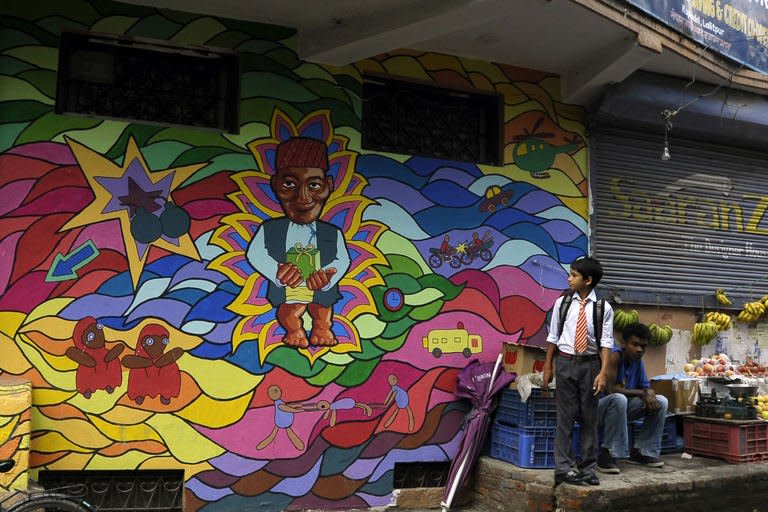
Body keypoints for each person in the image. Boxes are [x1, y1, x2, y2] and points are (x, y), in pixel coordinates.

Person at [246, 137, 350, 349]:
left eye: (314, 185)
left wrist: (329, 277)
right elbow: (254, 254)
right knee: (289, 312)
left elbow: (343, 259)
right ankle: (294, 330)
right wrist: (276, 271)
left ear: (328, 186)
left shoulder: (332, 233)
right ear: (275, 185)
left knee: (323, 308)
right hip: (288, 288)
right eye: (289, 184)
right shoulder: (269, 229)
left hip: (319, 286)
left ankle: (322, 327)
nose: (303, 198)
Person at [542, 257, 614, 486]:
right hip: (565, 363)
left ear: (588, 280)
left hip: (590, 365)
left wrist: (602, 373)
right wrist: (547, 366)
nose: (569, 279)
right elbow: (553, 336)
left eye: (573, 275)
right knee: (565, 418)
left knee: (589, 419)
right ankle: (563, 468)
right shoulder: (562, 303)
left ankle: (587, 468)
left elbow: (606, 343)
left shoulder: (603, 308)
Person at [596, 322, 668, 474]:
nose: (639, 349)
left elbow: (644, 386)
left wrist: (649, 391)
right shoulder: (614, 356)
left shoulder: (637, 361)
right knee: (618, 398)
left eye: (643, 346)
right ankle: (607, 454)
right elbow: (610, 390)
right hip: (598, 410)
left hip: (621, 410)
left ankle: (642, 452)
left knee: (661, 401)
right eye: (634, 344)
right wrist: (643, 393)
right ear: (624, 343)